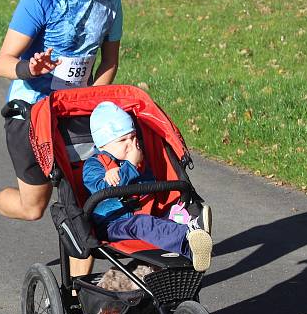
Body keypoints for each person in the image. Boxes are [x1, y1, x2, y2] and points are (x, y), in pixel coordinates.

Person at [0, 0, 122, 281]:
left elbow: (108, 62)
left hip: (75, 110)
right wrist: (28, 67)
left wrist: (91, 102)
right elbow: (1, 63)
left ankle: (81, 296)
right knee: (32, 207)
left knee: (86, 200)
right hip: (30, 109)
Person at [82, 101, 213, 272]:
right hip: (112, 224)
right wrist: (128, 166)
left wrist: (136, 166)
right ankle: (189, 238)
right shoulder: (94, 165)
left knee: (166, 216)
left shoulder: (139, 160)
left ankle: (193, 235)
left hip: (144, 214)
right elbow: (101, 190)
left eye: (133, 136)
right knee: (142, 224)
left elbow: (149, 186)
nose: (132, 143)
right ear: (103, 145)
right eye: (123, 140)